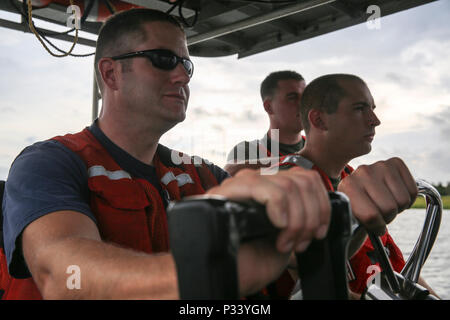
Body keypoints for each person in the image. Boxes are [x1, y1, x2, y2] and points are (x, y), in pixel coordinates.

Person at [0, 9, 418, 300]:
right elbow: (63, 276)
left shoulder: (203, 177)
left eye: (186, 63)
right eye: (163, 60)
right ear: (110, 73)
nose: (183, 74)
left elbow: (292, 261)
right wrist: (210, 271)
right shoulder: (50, 162)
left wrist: (350, 217)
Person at [280, 73, 438, 298]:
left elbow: (395, 268)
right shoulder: (284, 185)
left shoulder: (354, 180)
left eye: (372, 108)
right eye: (360, 108)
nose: (375, 120)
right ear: (319, 120)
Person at [224, 71, 306, 176]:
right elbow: (230, 171)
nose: (302, 104)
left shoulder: (319, 149)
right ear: (269, 107)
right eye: (292, 98)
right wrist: (301, 160)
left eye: (304, 97)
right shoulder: (249, 150)